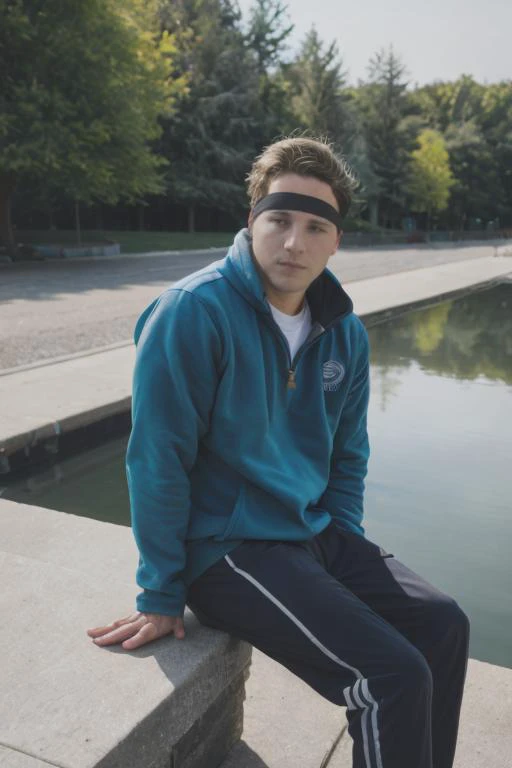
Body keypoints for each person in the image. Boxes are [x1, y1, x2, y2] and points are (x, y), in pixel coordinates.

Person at [87, 136, 469, 768]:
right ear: (252, 222)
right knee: (388, 676)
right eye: (280, 220)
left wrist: (345, 545)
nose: (294, 243)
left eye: (315, 226)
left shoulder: (343, 329)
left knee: (443, 625)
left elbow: (349, 455)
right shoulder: (193, 312)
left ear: (335, 241)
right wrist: (159, 591)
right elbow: (158, 459)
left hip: (310, 533)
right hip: (226, 548)